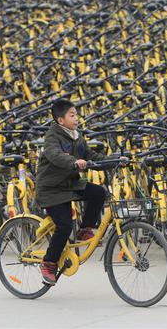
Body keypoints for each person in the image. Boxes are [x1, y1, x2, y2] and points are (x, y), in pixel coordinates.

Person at [35, 98, 127, 285]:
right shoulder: (53, 137)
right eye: (72, 115)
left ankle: (85, 229)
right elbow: (55, 155)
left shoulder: (76, 135)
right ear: (60, 120)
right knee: (65, 225)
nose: (77, 118)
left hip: (70, 185)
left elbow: (91, 156)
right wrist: (73, 162)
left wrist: (114, 160)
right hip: (52, 190)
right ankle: (49, 263)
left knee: (98, 193)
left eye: (76, 114)